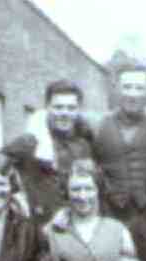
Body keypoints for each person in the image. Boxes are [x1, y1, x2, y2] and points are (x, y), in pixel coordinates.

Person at [88, 62, 146, 223]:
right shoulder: (98, 123)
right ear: (117, 89)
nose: (133, 94)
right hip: (109, 212)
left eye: (139, 88)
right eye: (127, 87)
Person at [44, 158, 136, 261]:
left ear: (98, 190)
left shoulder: (118, 231)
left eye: (88, 188)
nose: (82, 196)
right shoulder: (51, 231)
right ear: (67, 192)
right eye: (76, 189)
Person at [20, 80, 94, 224]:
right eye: (58, 107)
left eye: (71, 108)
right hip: (37, 227)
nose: (64, 113)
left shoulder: (84, 146)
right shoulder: (31, 140)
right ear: (47, 107)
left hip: (73, 228)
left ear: (78, 110)